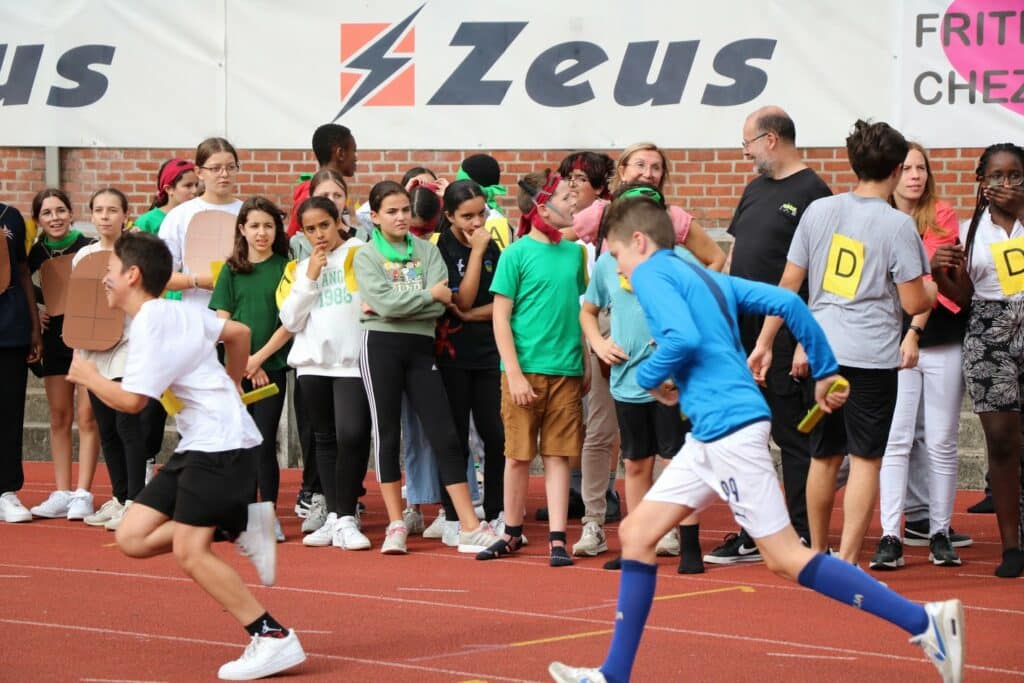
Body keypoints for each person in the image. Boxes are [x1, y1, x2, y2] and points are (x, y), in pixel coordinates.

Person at [547, 196, 963, 683]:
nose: (617, 268)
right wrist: (825, 369)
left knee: (785, 558)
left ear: (638, 242)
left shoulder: (652, 274)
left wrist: (650, 377)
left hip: (730, 430)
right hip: (713, 432)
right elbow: (787, 302)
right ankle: (613, 674)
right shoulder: (700, 276)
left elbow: (681, 339)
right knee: (637, 535)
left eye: (617, 255)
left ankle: (925, 622)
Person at [66, 232, 306, 680]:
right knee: (132, 537)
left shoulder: (150, 324)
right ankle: (236, 524)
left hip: (221, 444)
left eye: (110, 271)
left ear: (132, 275)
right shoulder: (173, 310)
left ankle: (273, 636)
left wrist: (89, 376)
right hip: (201, 442)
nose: (105, 279)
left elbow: (133, 402)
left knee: (190, 552)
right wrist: (233, 380)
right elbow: (238, 333)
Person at [749, 120, 935, 565]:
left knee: (824, 454)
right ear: (896, 170)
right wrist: (932, 287)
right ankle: (848, 561)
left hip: (821, 351)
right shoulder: (897, 225)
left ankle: (817, 550)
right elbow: (914, 301)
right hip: (870, 356)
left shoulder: (819, 211)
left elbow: (788, 284)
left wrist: (765, 342)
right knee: (866, 459)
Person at [708, 105, 832, 564]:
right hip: (742, 332)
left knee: (792, 435)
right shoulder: (754, 189)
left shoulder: (815, 194)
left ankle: (799, 532)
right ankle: (753, 531)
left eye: (748, 144)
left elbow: (817, 275)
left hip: (783, 335)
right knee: (746, 433)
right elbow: (735, 254)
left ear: (771, 140)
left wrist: (803, 339)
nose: (745, 154)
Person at [353, 181, 499, 555]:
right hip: (380, 346)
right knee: (387, 435)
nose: (401, 217)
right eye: (392, 211)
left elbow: (441, 302)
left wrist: (406, 302)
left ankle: (469, 525)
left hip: (421, 348)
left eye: (405, 209)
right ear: (375, 217)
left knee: (445, 434)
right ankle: (396, 524)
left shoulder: (428, 251)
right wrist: (422, 297)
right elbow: (387, 304)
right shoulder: (366, 256)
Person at [579, 185, 695, 572]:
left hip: (670, 381)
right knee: (635, 463)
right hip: (627, 379)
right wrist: (598, 343)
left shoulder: (677, 259)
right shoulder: (609, 263)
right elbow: (588, 311)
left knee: (674, 459)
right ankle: (638, 540)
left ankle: (679, 538)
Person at [477, 170, 589, 567]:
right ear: (542, 208)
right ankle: (511, 531)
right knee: (518, 456)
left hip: (566, 370)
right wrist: (514, 373)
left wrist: (584, 360)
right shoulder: (516, 254)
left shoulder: (575, 254)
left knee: (558, 456)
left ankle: (558, 538)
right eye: (566, 197)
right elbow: (500, 317)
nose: (574, 202)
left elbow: (577, 311)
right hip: (524, 372)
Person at [871, 143, 970, 570]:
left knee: (943, 441)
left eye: (921, 168)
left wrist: (915, 272)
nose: (915, 175)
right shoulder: (878, 216)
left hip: (941, 339)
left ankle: (940, 532)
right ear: (894, 173)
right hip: (894, 343)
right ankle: (890, 534)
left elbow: (926, 278)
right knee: (896, 439)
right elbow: (885, 276)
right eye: (907, 168)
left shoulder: (942, 214)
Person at [944, 143, 1024, 578]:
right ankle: (1012, 545)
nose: (1005, 184)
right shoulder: (969, 230)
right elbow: (961, 297)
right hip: (989, 335)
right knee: (1002, 439)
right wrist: (941, 273)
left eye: (1015, 176)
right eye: (996, 176)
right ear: (982, 182)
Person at [278, 196, 370, 550]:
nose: (319, 234)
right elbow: (290, 319)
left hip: (351, 363)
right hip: (312, 365)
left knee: (353, 435)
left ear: (338, 222)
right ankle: (335, 516)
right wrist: (311, 276)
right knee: (324, 440)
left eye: (324, 225)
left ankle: (347, 515)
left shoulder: (359, 253)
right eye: (310, 229)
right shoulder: (301, 268)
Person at [210, 197, 292, 542]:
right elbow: (222, 323)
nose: (262, 233)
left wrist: (258, 360)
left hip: (271, 370)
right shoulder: (230, 270)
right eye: (255, 226)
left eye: (268, 226)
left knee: (264, 441)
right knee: (237, 443)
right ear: (242, 229)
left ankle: (268, 515)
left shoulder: (287, 268)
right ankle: (237, 514)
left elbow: (289, 323)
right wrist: (245, 364)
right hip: (234, 372)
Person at [73, 188, 146, 531]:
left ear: (125, 215)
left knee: (126, 424)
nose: (105, 216)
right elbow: (77, 307)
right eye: (99, 210)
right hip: (94, 349)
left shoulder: (135, 253)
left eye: (112, 210)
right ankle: (119, 496)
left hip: (129, 344)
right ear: (91, 215)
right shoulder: (83, 256)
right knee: (105, 426)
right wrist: (78, 352)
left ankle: (135, 501)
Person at [434, 179, 505, 528]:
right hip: (452, 355)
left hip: (489, 352)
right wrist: (475, 252)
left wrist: (475, 314)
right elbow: (461, 299)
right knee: (456, 435)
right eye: (467, 216)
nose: (477, 223)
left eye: (481, 214)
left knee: (496, 435)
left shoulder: (494, 247)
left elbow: (504, 302)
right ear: (449, 216)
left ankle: (497, 511)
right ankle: (453, 515)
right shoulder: (442, 249)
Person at [27, 188, 100, 521]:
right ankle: (61, 491)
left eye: (60, 210)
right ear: (38, 219)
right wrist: (36, 309)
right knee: (59, 415)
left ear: (71, 213)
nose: (54, 218)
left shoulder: (89, 247)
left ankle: (83, 493)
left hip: (87, 338)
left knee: (87, 416)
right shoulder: (35, 253)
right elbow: (24, 287)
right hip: (54, 340)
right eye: (47, 213)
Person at [159, 137, 244, 312]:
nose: (224, 174)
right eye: (215, 168)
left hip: (241, 313)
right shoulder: (180, 215)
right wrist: (196, 280)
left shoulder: (248, 213)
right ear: (199, 172)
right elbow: (161, 275)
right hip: (196, 314)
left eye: (230, 167)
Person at [0, 200, 42, 523]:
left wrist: (34, 327)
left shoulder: (10, 216)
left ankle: (6, 491)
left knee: (9, 412)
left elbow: (24, 271)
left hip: (9, 328)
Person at [286, 123, 357, 238]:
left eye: (337, 196)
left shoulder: (337, 189)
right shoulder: (308, 195)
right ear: (340, 153)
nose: (355, 158)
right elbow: (292, 237)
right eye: (354, 151)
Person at [134, 159, 200, 236]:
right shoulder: (147, 221)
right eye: (188, 185)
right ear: (169, 189)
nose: (195, 190)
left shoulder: (199, 217)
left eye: (196, 185)